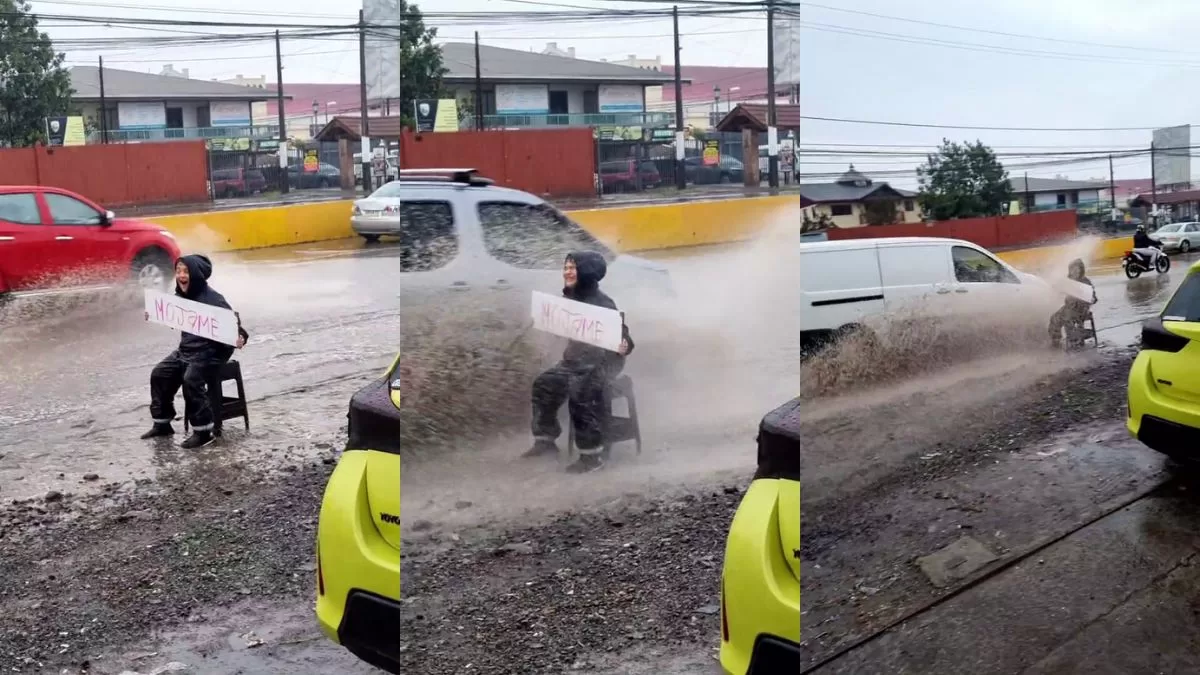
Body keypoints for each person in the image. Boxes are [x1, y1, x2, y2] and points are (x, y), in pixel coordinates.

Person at [525, 251, 634, 473]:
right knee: (543, 384)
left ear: (586, 272)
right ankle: (545, 440)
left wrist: (624, 344)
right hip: (575, 363)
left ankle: (591, 455)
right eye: (565, 267)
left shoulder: (603, 303)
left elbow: (624, 337)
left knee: (581, 391)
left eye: (572, 268)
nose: (567, 272)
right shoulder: (570, 299)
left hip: (603, 363)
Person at [141, 254, 248, 449]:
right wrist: (155, 313)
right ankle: (162, 423)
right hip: (187, 350)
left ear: (196, 275)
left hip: (211, 352)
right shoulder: (180, 298)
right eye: (178, 271)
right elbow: (174, 319)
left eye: (186, 271)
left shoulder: (214, 299)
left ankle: (203, 431)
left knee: (191, 379)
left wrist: (239, 337)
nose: (181, 275)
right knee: (159, 374)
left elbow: (235, 326)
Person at [1048, 258, 1097, 349]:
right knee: (1054, 318)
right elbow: (1060, 291)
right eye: (1072, 269)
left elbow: (1093, 298)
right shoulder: (1068, 281)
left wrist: (1091, 298)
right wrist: (1058, 288)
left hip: (1081, 309)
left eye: (1077, 269)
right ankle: (1056, 340)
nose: (1074, 271)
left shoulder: (1085, 282)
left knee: (1068, 318)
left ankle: (1075, 341)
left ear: (1081, 270)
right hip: (1068, 308)